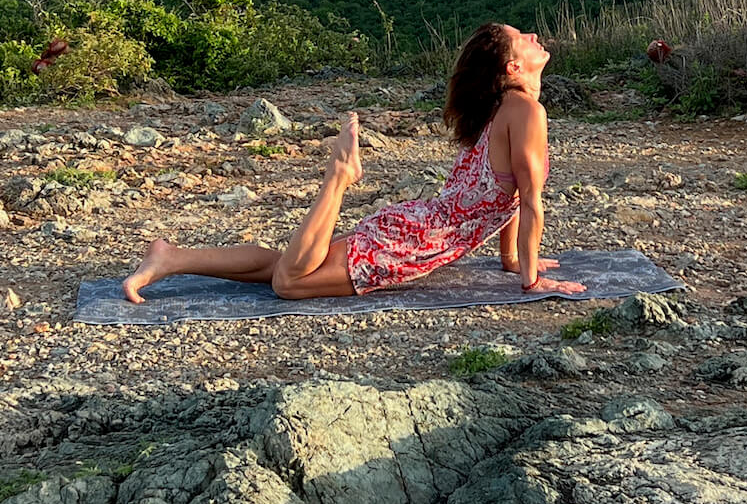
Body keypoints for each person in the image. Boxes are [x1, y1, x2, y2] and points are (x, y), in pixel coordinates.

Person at [122, 22, 585, 303]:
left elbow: (510, 199)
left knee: (287, 266)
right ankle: (338, 178)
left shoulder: (508, 111)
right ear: (511, 68)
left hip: (416, 228)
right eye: (520, 38)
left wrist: (511, 260)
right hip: (416, 241)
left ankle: (171, 258)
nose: (533, 37)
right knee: (289, 282)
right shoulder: (525, 110)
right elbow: (530, 201)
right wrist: (530, 281)